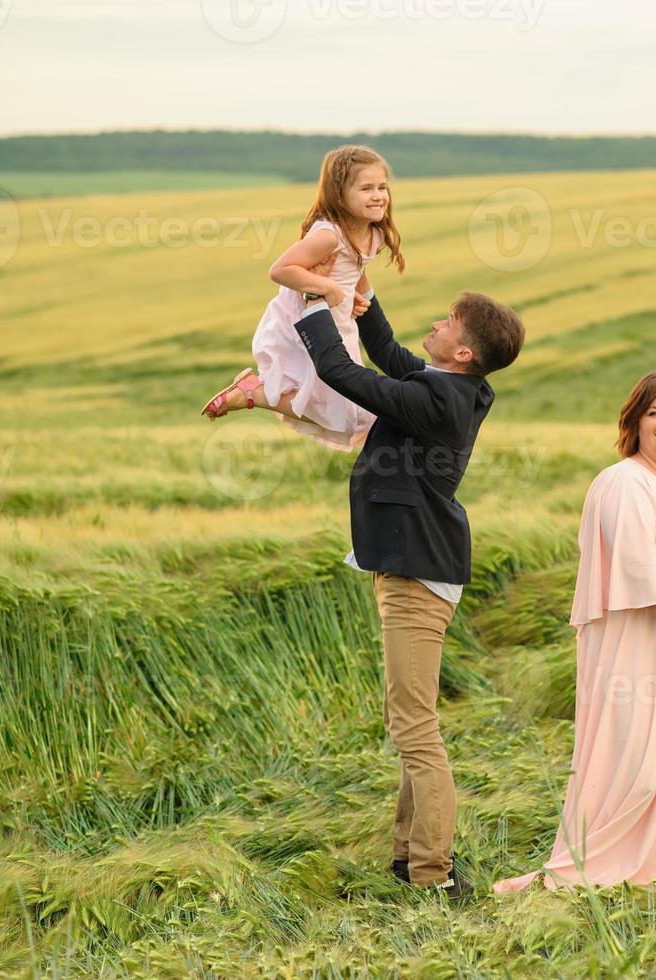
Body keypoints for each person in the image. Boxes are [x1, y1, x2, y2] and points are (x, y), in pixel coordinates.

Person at [294, 257, 525, 901]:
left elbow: (340, 372)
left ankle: (434, 874)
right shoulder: (448, 388)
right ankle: (408, 857)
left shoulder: (441, 400)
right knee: (410, 716)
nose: (437, 322)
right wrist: (363, 299)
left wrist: (312, 303)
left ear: (464, 348)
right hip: (413, 566)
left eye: (447, 320)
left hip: (419, 576)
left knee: (413, 725)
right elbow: (393, 357)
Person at [494, 371, 656, 894]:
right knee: (638, 755)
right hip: (643, 638)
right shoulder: (622, 482)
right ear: (634, 423)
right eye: (655, 413)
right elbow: (638, 570)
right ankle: (613, 862)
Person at [201, 144, 405, 451]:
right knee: (341, 409)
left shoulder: (372, 233)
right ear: (339, 194)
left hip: (338, 321)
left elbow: (357, 269)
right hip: (307, 320)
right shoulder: (329, 235)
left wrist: (354, 296)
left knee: (347, 413)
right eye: (366, 188)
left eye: (382, 187)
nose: (378, 195)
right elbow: (281, 270)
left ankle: (253, 393)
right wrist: (331, 289)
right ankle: (254, 394)